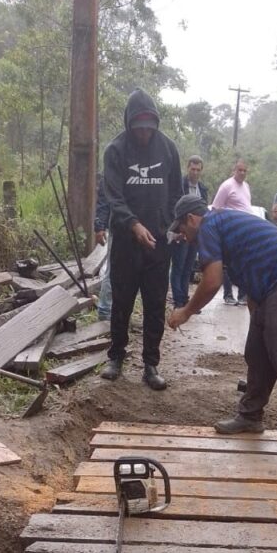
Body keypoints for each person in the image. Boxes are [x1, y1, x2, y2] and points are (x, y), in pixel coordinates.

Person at [166, 195, 277, 442]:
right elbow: (251, 272)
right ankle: (250, 415)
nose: (183, 236)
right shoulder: (220, 224)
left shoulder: (208, 226)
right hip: (271, 288)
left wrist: (186, 311)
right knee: (257, 352)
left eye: (182, 229)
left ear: (192, 218)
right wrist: (258, 323)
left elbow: (212, 280)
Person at [101, 88, 181, 390]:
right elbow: (114, 196)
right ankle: (116, 357)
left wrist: (171, 226)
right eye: (139, 129)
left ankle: (151, 364)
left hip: (159, 244)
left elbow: (176, 193)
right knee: (121, 300)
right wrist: (134, 224)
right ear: (130, 124)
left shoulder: (168, 149)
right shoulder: (116, 150)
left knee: (155, 303)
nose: (145, 134)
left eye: (149, 128)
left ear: (155, 124)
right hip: (126, 242)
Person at [211, 158, 251, 305]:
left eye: (244, 170)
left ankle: (242, 296)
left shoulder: (246, 186)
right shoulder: (227, 186)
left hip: (245, 231)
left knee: (243, 263)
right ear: (234, 170)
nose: (242, 173)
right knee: (228, 264)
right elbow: (215, 208)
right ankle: (228, 295)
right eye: (239, 170)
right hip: (231, 231)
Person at [170, 156, 208, 308]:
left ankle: (185, 300)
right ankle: (178, 300)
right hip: (182, 230)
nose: (195, 172)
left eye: (198, 170)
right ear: (188, 168)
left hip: (196, 233)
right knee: (178, 266)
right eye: (193, 169)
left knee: (189, 267)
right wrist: (176, 231)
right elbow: (174, 207)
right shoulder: (179, 185)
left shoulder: (203, 189)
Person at [93, 174, 112, 318]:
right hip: (117, 227)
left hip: (137, 228)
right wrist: (100, 227)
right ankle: (105, 311)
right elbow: (104, 201)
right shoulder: (112, 170)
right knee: (113, 270)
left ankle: (117, 310)